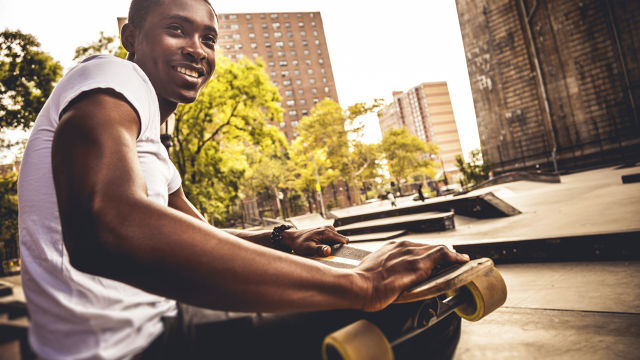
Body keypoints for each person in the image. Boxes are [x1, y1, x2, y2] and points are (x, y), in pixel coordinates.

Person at [17, 0, 469, 358]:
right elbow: (105, 226)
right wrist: (360, 285)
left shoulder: (149, 142)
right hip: (129, 347)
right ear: (130, 37)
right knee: (418, 311)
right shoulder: (113, 76)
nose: (198, 49)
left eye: (208, 38)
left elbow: (201, 236)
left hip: (157, 319)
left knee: (407, 303)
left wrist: (282, 238)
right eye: (177, 29)